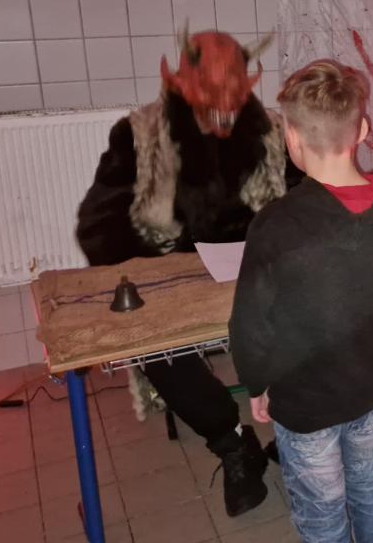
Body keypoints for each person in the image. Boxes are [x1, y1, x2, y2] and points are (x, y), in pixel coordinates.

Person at [75, 29, 302, 517]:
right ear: (179, 83)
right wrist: (158, 270)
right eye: (210, 91)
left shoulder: (270, 132)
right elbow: (98, 224)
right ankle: (231, 442)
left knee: (317, 307)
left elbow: (306, 199)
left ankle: (295, 430)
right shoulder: (138, 135)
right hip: (172, 270)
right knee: (154, 340)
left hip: (256, 266)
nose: (224, 107)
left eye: (234, 90)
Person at [229, 59, 373, 543]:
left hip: (305, 403)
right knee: (371, 486)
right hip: (369, 388)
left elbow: (251, 325)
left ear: (291, 138)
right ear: (363, 130)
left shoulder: (275, 225)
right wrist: (369, 347)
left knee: (322, 511)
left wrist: (256, 383)